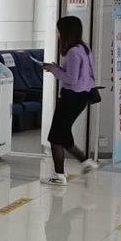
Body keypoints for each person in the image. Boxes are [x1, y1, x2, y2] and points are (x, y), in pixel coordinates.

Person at [42, 15, 99, 185]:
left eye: (59, 31)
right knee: (64, 134)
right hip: (81, 97)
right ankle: (86, 162)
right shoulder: (84, 49)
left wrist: (54, 70)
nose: (57, 34)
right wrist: (56, 67)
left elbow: (71, 79)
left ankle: (59, 176)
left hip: (71, 97)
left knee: (55, 137)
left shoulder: (73, 52)